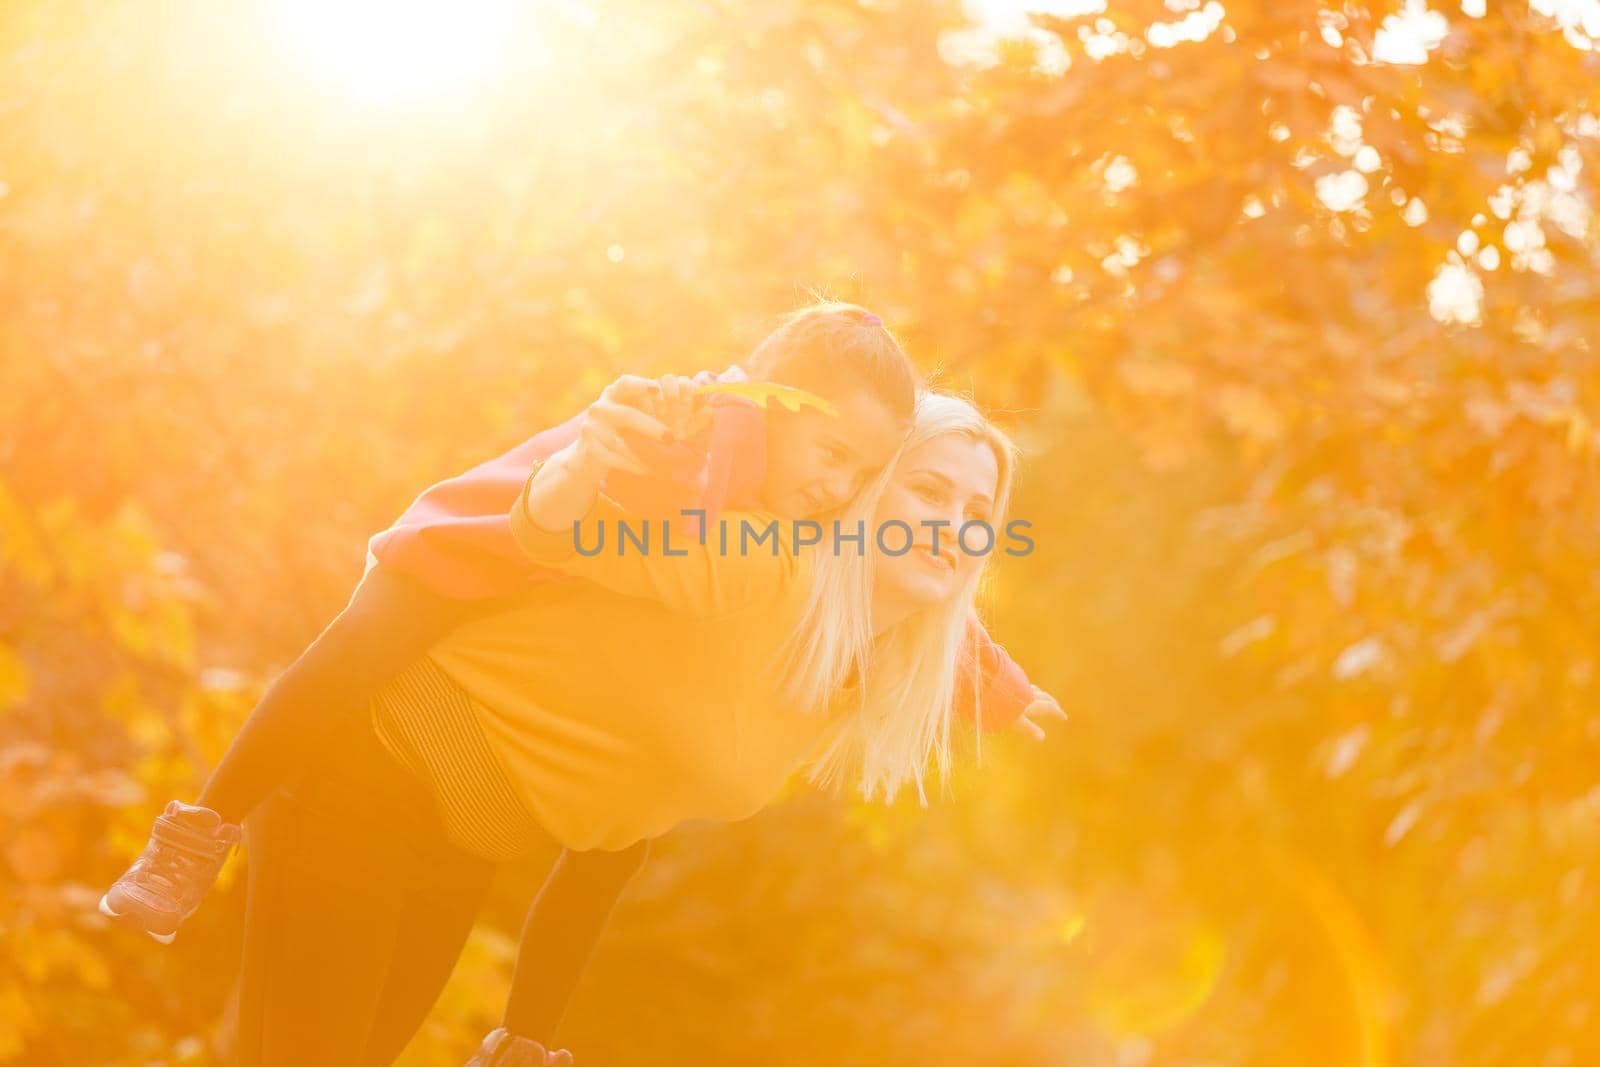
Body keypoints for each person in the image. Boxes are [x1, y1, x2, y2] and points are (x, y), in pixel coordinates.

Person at [222, 387, 1051, 1065]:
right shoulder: (758, 566)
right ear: (866, 496)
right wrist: (599, 459)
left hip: (459, 845)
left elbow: (623, 823)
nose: (954, 523)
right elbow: (570, 534)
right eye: (930, 490)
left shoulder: (842, 674)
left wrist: (527, 1034)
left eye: (978, 509)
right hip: (364, 767)